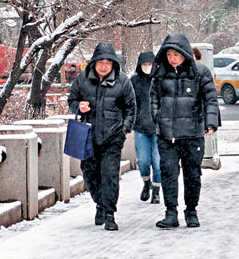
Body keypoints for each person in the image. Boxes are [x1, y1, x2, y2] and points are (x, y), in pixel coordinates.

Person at [150, 34, 219, 228]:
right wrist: (157, 117)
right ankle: (170, 212)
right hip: (167, 134)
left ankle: (191, 211)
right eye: (169, 54)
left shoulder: (200, 73)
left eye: (176, 54)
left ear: (185, 54)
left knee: (192, 175)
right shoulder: (160, 74)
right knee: (168, 173)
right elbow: (153, 98)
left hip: (192, 133)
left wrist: (210, 123)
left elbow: (210, 100)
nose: (173, 58)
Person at [67, 42, 137, 231]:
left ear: (113, 63)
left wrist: (124, 130)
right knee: (89, 173)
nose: (104, 66)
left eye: (108, 62)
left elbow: (131, 108)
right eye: (100, 62)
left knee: (109, 175)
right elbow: (71, 99)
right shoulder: (82, 80)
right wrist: (78, 107)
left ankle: (109, 214)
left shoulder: (122, 81)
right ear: (94, 62)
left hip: (113, 136)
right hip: (88, 136)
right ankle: (100, 203)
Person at [131, 50, 161, 203]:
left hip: (158, 127)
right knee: (143, 160)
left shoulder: (160, 79)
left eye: (150, 64)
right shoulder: (134, 81)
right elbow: (130, 103)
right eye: (144, 64)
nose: (147, 67)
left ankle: (156, 189)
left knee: (157, 160)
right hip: (140, 127)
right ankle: (146, 182)